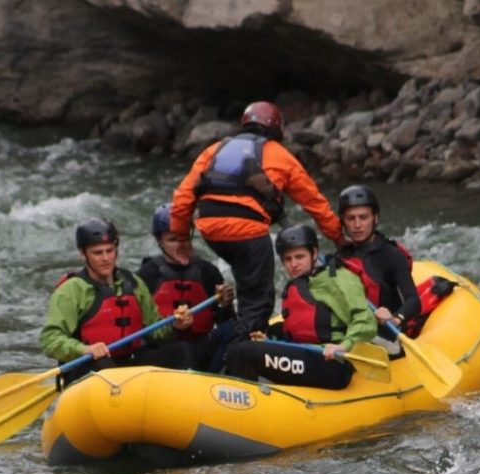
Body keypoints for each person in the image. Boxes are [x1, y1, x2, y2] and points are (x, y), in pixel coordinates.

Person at [169, 100, 344, 338]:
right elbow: (315, 203)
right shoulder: (280, 155)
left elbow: (182, 198)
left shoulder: (215, 150)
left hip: (211, 232)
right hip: (248, 234)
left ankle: (234, 335)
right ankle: (243, 353)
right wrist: (340, 239)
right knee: (259, 301)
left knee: (246, 287)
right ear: (276, 130)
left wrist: (180, 237)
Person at [40, 218, 196, 386]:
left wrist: (175, 325)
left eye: (110, 250)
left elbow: (155, 331)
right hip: (91, 368)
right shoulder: (71, 291)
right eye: (98, 253)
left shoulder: (133, 283)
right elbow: (50, 339)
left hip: (130, 363)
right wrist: (84, 349)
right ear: (83, 254)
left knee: (181, 350)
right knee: (104, 366)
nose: (106, 258)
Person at [224, 225, 377, 389]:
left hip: (333, 363)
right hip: (306, 356)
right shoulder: (301, 283)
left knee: (244, 352)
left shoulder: (338, 278)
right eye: (288, 259)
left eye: (299, 257)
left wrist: (343, 345)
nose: (293, 264)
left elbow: (365, 320)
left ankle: (242, 403)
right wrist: (270, 342)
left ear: (314, 254)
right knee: (238, 344)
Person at [331, 184, 455, 345]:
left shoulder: (391, 255)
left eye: (363, 217)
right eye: (350, 218)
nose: (357, 225)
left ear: (375, 218)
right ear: (343, 221)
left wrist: (395, 319)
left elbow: (413, 300)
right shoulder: (340, 257)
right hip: (351, 333)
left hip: (385, 332)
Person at [135, 203, 237, 372]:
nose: (180, 244)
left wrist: (225, 305)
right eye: (172, 240)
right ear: (160, 241)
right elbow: (140, 330)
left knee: (234, 330)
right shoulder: (146, 276)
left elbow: (224, 320)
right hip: (161, 352)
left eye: (184, 237)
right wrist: (173, 327)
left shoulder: (208, 272)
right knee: (183, 349)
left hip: (200, 347)